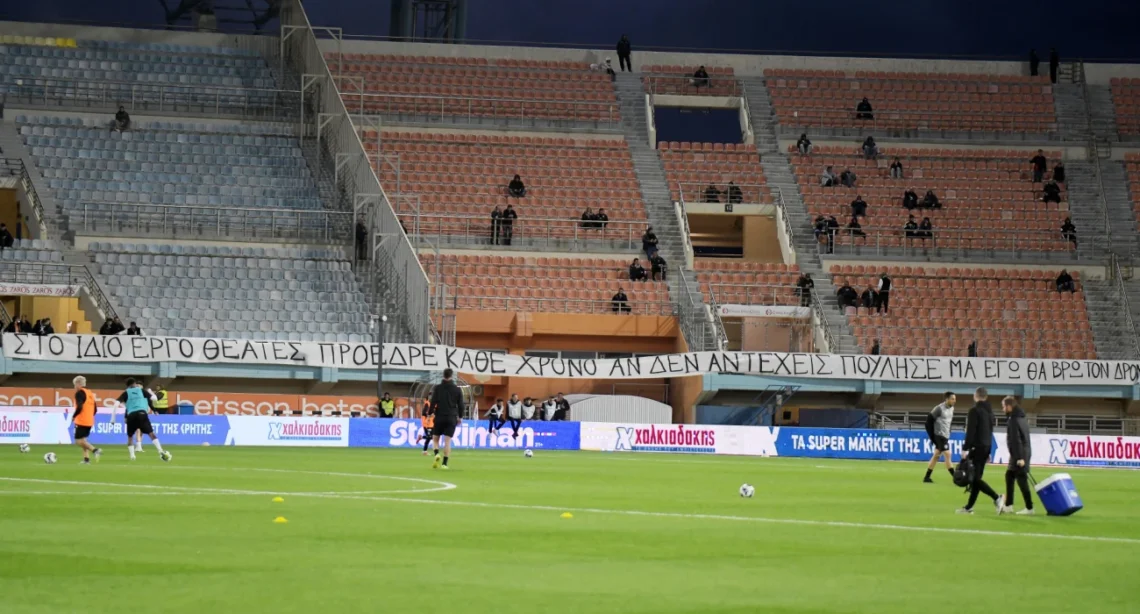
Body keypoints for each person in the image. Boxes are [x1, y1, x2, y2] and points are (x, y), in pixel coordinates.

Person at [957, 387, 1003, 515]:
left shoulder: (974, 411)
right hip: (986, 447)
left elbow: (971, 431)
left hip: (976, 448)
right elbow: (990, 432)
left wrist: (965, 448)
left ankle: (997, 498)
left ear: (975, 396)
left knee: (975, 479)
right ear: (986, 397)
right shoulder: (990, 412)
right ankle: (968, 507)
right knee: (976, 478)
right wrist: (989, 451)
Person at [113, 378, 167, 462]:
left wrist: (113, 419)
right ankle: (160, 451)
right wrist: (150, 392)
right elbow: (154, 398)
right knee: (151, 433)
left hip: (131, 415)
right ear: (134, 383)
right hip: (142, 414)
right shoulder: (141, 390)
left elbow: (116, 404)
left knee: (130, 436)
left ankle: (132, 456)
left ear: (127, 386)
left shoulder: (126, 393)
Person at [1000, 396, 1035, 515]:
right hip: (1022, 452)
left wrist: (1020, 458)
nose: (1003, 409)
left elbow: (1016, 440)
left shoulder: (1013, 420)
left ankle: (1029, 508)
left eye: (1004, 406)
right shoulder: (1022, 418)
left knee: (1021, 479)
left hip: (1019, 454)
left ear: (1009, 407)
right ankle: (1009, 505)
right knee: (1009, 476)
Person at [429, 368, 465, 470]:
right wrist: (460, 417)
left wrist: (430, 413)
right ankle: (444, 464)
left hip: (440, 416)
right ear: (451, 376)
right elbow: (461, 405)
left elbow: (433, 401)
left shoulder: (438, 388)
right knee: (447, 441)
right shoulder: (457, 389)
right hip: (451, 417)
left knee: (435, 438)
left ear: (443, 375)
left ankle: (436, 453)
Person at [923, 392, 957, 483]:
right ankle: (956, 478)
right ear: (947, 399)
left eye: (955, 399)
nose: (954, 401)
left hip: (945, 436)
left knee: (936, 456)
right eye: (952, 399)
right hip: (939, 435)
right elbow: (928, 422)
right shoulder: (939, 408)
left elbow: (948, 422)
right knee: (948, 454)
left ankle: (927, 477)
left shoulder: (952, 408)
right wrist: (932, 437)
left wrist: (949, 432)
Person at [70, 376, 102, 465]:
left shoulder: (79, 393)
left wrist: (74, 416)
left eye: (75, 385)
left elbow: (79, 406)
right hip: (89, 420)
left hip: (81, 420)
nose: (74, 387)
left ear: (78, 384)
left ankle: (95, 450)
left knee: (78, 441)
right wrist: (89, 416)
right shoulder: (90, 393)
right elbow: (95, 409)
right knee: (84, 441)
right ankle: (86, 459)